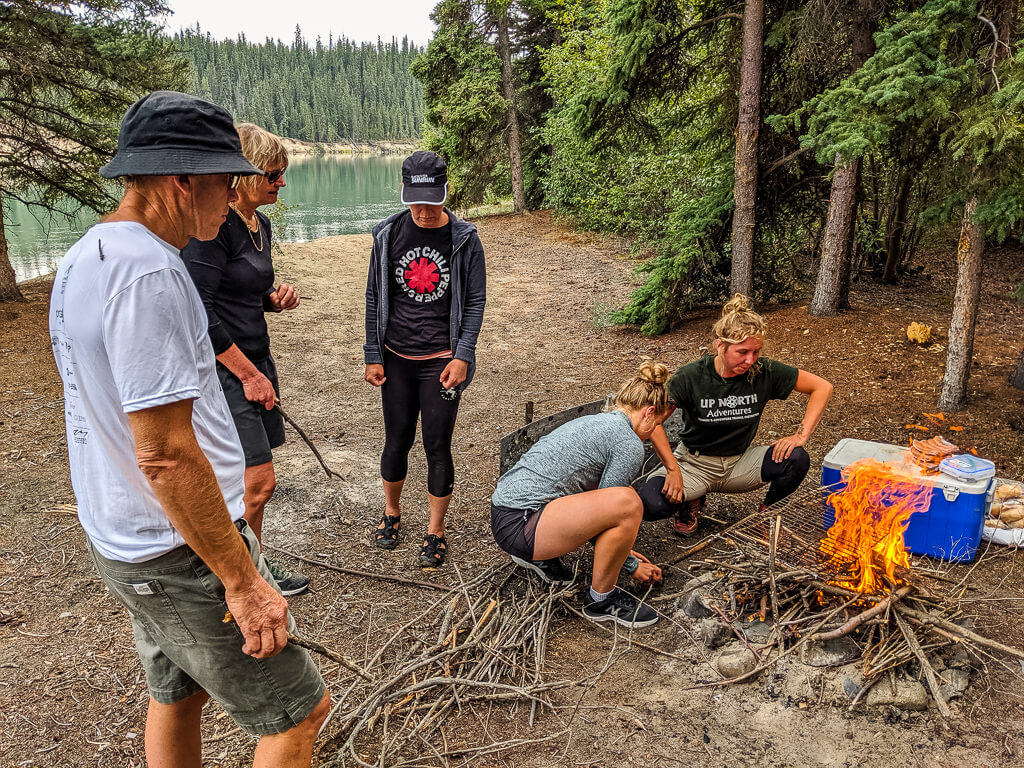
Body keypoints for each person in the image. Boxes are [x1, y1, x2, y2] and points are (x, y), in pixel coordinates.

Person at [48, 91, 329, 768]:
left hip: (127, 537)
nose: (234, 194)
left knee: (179, 694)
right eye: (225, 181)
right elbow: (168, 455)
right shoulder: (149, 271)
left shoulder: (89, 253)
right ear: (183, 182)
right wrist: (241, 579)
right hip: (173, 546)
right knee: (297, 713)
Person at [181, 122, 308, 596]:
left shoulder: (261, 225)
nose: (280, 182)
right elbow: (200, 309)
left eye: (281, 174)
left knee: (251, 480)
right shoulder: (214, 228)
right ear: (247, 175)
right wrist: (248, 374)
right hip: (226, 371)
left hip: (255, 358)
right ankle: (244, 578)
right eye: (273, 174)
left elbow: (242, 294)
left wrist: (273, 299)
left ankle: (250, 567)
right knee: (257, 480)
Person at [363, 150, 486, 568]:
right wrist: (372, 353)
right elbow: (374, 297)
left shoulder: (465, 238)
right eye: (416, 200)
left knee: (437, 444)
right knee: (397, 439)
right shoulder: (387, 235)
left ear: (445, 190)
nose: (425, 210)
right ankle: (392, 512)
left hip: (441, 360)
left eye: (433, 200)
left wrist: (464, 355)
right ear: (404, 193)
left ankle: (436, 529)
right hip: (396, 357)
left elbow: (474, 302)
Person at [490, 361, 674, 629]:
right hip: (523, 526)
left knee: (613, 501)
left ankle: (539, 556)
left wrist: (624, 552)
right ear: (647, 413)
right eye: (657, 423)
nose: (653, 433)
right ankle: (601, 600)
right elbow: (608, 511)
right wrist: (632, 566)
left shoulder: (596, 421)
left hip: (503, 513)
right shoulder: (628, 443)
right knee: (628, 503)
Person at [639, 294, 834, 534]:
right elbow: (653, 422)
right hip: (693, 463)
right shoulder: (691, 377)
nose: (750, 360)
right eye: (742, 352)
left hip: (739, 463)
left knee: (797, 458)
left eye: (756, 352)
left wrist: (800, 436)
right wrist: (672, 469)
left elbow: (822, 387)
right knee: (651, 503)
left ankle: (768, 512)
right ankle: (690, 501)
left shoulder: (764, 371)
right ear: (720, 345)